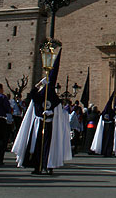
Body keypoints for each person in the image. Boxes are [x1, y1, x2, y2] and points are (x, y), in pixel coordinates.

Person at [11, 45, 72, 175]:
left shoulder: (55, 99)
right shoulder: (40, 95)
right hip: (39, 125)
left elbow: (59, 113)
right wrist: (39, 84)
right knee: (37, 146)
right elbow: (32, 95)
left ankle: (48, 165)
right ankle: (37, 166)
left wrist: (52, 114)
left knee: (49, 147)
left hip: (50, 125)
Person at [90, 92, 116, 157]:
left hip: (106, 128)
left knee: (107, 140)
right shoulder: (110, 112)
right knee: (108, 140)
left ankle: (106, 151)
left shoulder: (106, 112)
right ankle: (107, 152)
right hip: (108, 127)